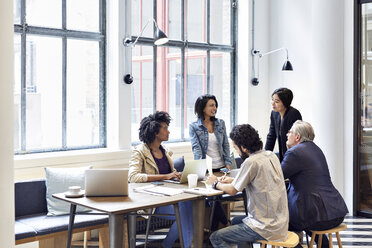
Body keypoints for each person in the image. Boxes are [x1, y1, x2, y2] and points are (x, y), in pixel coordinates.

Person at [208, 124, 289, 248]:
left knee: (216, 237)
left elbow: (232, 190)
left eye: (235, 147)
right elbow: (260, 181)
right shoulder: (270, 155)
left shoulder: (251, 162)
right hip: (280, 223)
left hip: (265, 227)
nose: (236, 151)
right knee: (236, 221)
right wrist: (233, 180)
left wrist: (215, 183)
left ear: (244, 147)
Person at [128, 111, 193, 248]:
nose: (168, 132)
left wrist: (176, 174)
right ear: (156, 132)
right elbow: (133, 177)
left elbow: (169, 173)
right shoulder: (139, 152)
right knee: (185, 214)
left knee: (188, 206)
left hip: (169, 196)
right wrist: (166, 176)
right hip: (150, 201)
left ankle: (170, 245)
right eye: (165, 128)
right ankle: (169, 245)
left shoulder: (165, 151)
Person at [282, 120, 348, 248]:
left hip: (319, 216)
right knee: (306, 218)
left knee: (279, 225)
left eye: (289, 132)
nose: (286, 134)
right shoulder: (316, 149)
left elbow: (277, 176)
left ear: (297, 137)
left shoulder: (294, 152)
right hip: (336, 211)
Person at [189, 94, 232, 230]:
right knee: (212, 199)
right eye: (211, 105)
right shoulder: (194, 126)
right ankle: (224, 224)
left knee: (216, 199)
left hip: (221, 168)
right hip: (207, 169)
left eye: (215, 105)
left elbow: (225, 144)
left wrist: (228, 162)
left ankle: (214, 234)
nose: (214, 108)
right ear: (203, 108)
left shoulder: (220, 123)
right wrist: (200, 169)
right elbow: (196, 149)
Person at [265, 88, 302, 161]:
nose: (272, 103)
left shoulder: (294, 114)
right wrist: (265, 156)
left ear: (285, 102)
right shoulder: (274, 113)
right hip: (282, 154)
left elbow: (296, 140)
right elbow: (271, 136)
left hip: (294, 155)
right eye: (272, 99)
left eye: (276, 101)